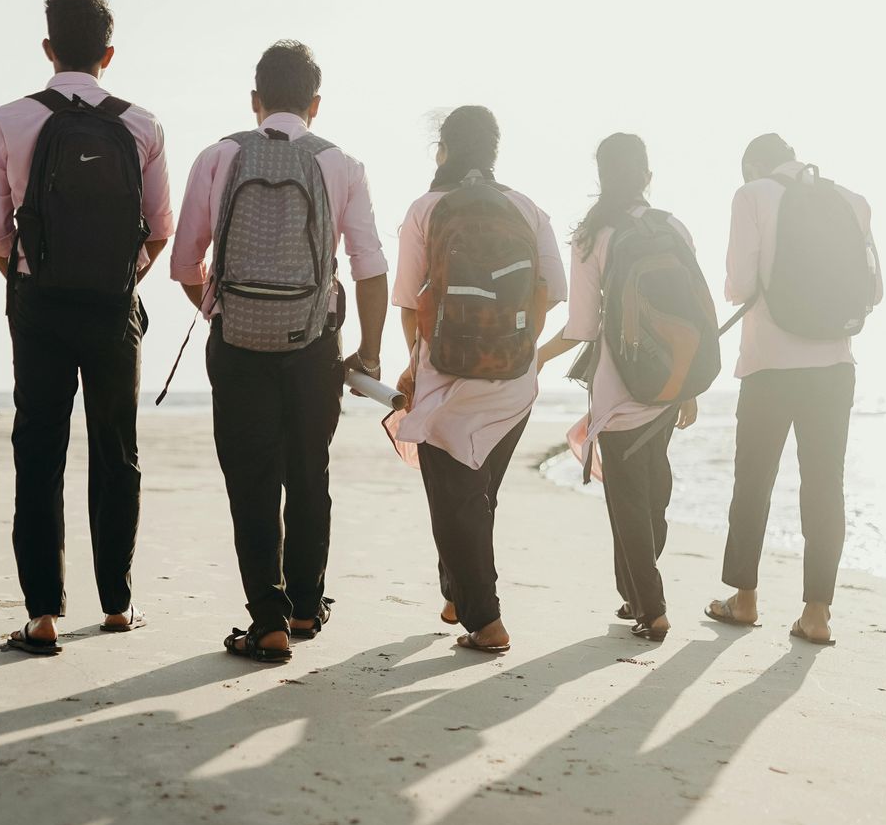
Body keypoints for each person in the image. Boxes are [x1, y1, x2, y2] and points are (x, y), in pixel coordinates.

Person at [171, 41, 388, 664]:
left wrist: (223, 312)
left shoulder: (219, 155)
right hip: (314, 345)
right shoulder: (341, 164)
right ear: (315, 104)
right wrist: (368, 354)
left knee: (252, 483)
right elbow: (370, 268)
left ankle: (266, 621)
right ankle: (304, 607)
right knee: (308, 472)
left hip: (237, 343)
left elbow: (187, 264)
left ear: (255, 100)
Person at [0, 0, 174, 654]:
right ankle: (117, 605)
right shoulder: (141, 124)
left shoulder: (10, 120)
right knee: (116, 450)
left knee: (39, 450)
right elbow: (160, 230)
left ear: (47, 47)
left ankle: (41, 616)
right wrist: (121, 278)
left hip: (39, 302)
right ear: (108, 54)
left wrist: (32, 282)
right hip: (114, 305)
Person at [392, 106, 567, 653]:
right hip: (514, 383)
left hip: (447, 376)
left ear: (443, 151)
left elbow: (407, 302)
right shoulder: (528, 209)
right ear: (493, 152)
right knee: (476, 497)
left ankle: (486, 622)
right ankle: (458, 595)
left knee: (454, 501)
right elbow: (552, 293)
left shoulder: (426, 209)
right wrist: (516, 347)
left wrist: (416, 364)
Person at [708, 133, 880, 646]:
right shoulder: (852, 201)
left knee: (753, 483)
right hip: (833, 366)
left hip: (769, 365)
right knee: (825, 487)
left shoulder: (752, 194)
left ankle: (744, 600)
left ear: (753, 166)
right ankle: (817, 613)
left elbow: (739, 284)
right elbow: (874, 290)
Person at [536, 133, 698, 642]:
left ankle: (651, 606)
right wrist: (688, 385)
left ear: (601, 177)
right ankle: (636, 593)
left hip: (618, 384)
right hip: (669, 383)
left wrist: (537, 356)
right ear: (647, 176)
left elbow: (582, 326)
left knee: (628, 498)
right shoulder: (672, 227)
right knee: (654, 491)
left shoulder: (593, 236)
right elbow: (690, 314)